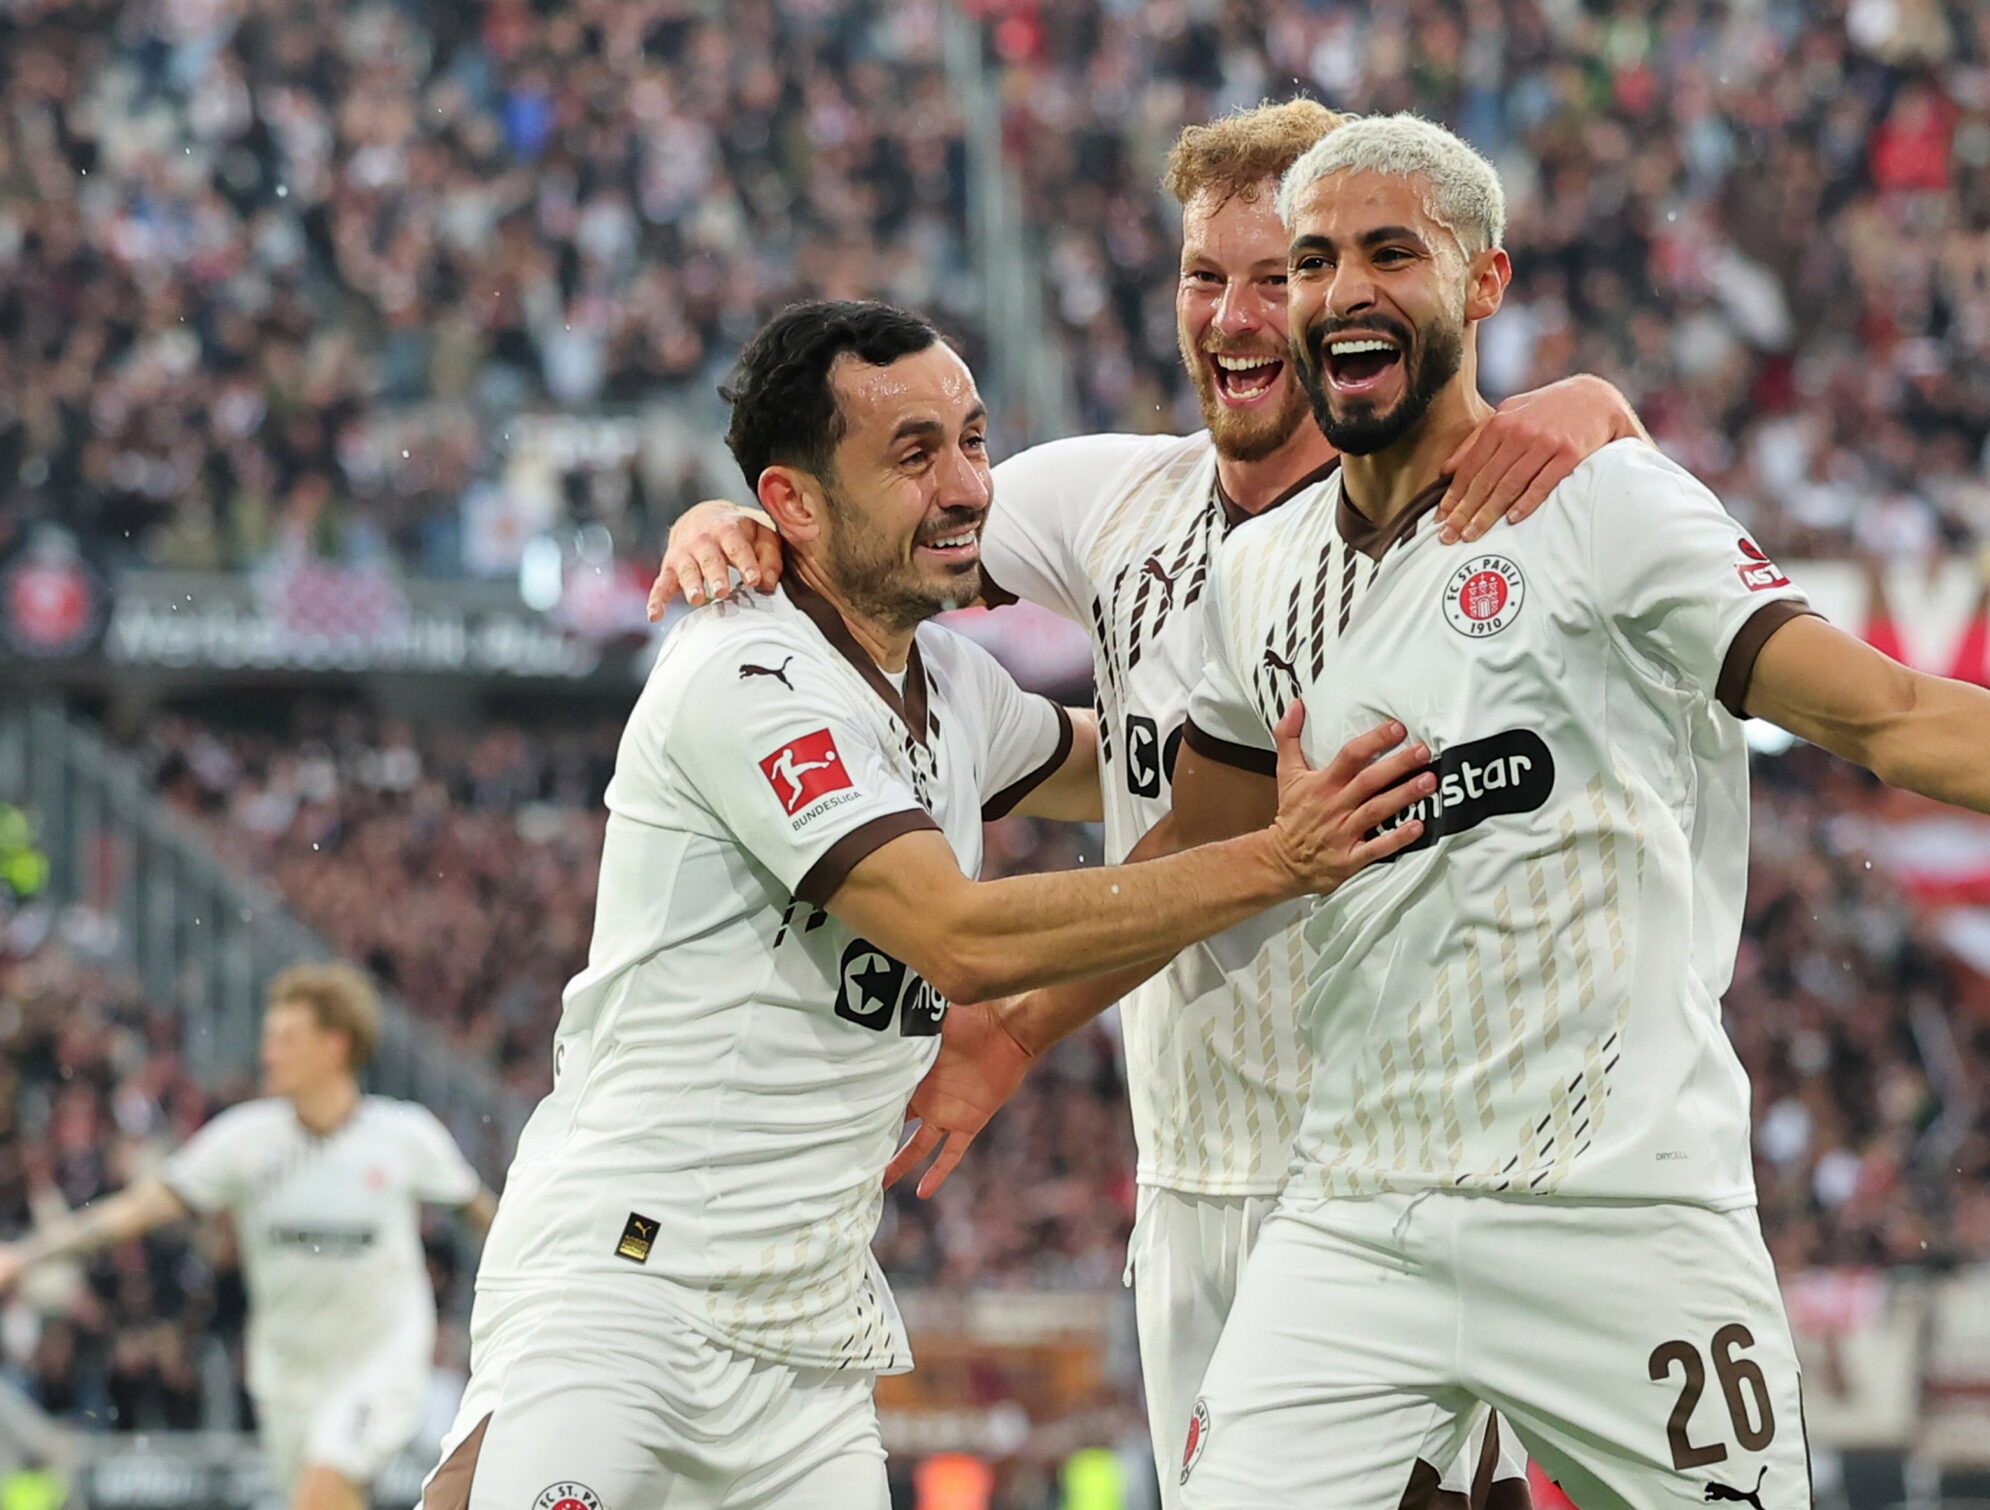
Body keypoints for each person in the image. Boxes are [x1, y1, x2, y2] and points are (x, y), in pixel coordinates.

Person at [1152, 113, 1990, 1510]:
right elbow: (1203, 868)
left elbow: (1881, 711)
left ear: (1482, 285)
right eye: (1311, 261)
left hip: (1621, 1211)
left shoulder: (1605, 507)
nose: (1341, 289)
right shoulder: (1253, 579)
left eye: (1388, 252)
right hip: (1355, 1212)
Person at [649, 98, 1645, 1507]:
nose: (1238, 317)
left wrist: (1594, 404)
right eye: (1204, 276)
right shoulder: (1112, 500)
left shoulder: (1463, 514)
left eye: (1273, 275)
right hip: (1188, 1182)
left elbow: (1641, 530)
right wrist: (736, 523)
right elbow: (871, 516)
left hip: (1396, 1174)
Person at [424, 299, 1431, 1510]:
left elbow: (1149, 763)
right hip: (627, 1288)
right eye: (915, 456)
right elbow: (959, 935)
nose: (967, 487)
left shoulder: (948, 678)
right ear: (792, 503)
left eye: (973, 438)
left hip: (808, 1338)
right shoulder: (746, 675)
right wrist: (1283, 857)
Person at [0, 964, 496, 1510]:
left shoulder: (405, 1136)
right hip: (285, 1375)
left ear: (335, 1045)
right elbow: (134, 1212)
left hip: (379, 1361)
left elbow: (488, 1217)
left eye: (286, 1039)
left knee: (321, 1493)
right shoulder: (246, 1141)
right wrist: (26, 1256)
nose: (269, 1054)